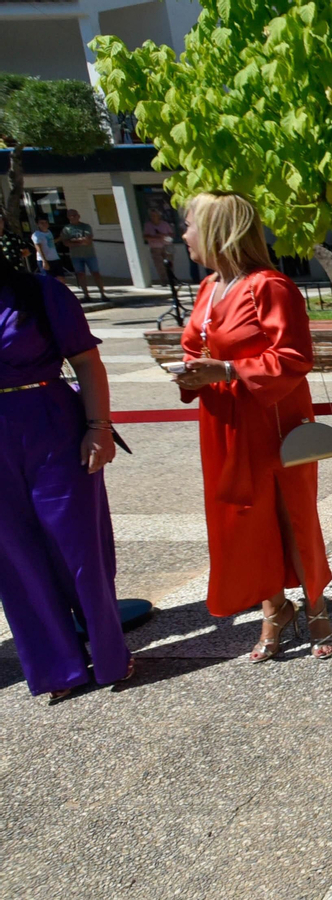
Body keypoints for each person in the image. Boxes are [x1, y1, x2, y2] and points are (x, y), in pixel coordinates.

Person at [171, 192, 332, 661]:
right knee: (243, 516)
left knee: (291, 513)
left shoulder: (270, 286)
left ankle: (316, 605)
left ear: (218, 231)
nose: (184, 235)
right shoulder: (208, 289)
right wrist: (189, 371)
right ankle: (275, 606)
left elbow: (294, 356)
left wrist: (225, 371)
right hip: (224, 422)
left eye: (189, 225)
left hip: (274, 422)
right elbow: (195, 346)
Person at [0, 250, 132, 699]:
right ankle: (59, 668)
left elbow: (87, 363)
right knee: (14, 556)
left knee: (78, 546)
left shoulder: (40, 292)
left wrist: (99, 427)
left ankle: (111, 655)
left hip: (51, 425)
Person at [61, 210, 108, 303]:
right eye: (71, 216)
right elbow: (66, 243)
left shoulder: (85, 226)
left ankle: (103, 294)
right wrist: (80, 241)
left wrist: (74, 241)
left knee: (96, 273)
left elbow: (88, 240)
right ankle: (86, 295)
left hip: (89, 254)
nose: (73, 217)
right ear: (68, 217)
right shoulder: (66, 229)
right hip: (76, 256)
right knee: (80, 275)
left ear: (78, 216)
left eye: (74, 215)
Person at [31, 216, 69, 287]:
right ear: (37, 224)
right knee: (49, 280)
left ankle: (62, 295)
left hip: (55, 258)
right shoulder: (36, 235)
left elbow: (50, 242)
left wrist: (60, 238)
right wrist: (44, 261)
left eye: (45, 222)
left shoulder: (49, 232)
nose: (44, 224)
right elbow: (38, 248)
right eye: (41, 223)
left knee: (61, 278)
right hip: (45, 260)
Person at [143, 203, 176, 278]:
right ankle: (163, 280)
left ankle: (171, 279)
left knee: (169, 263)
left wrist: (164, 235)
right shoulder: (148, 225)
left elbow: (172, 234)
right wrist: (156, 237)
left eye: (155, 215)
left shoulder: (165, 224)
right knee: (159, 265)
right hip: (155, 248)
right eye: (152, 216)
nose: (153, 217)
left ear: (159, 216)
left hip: (167, 246)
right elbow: (145, 236)